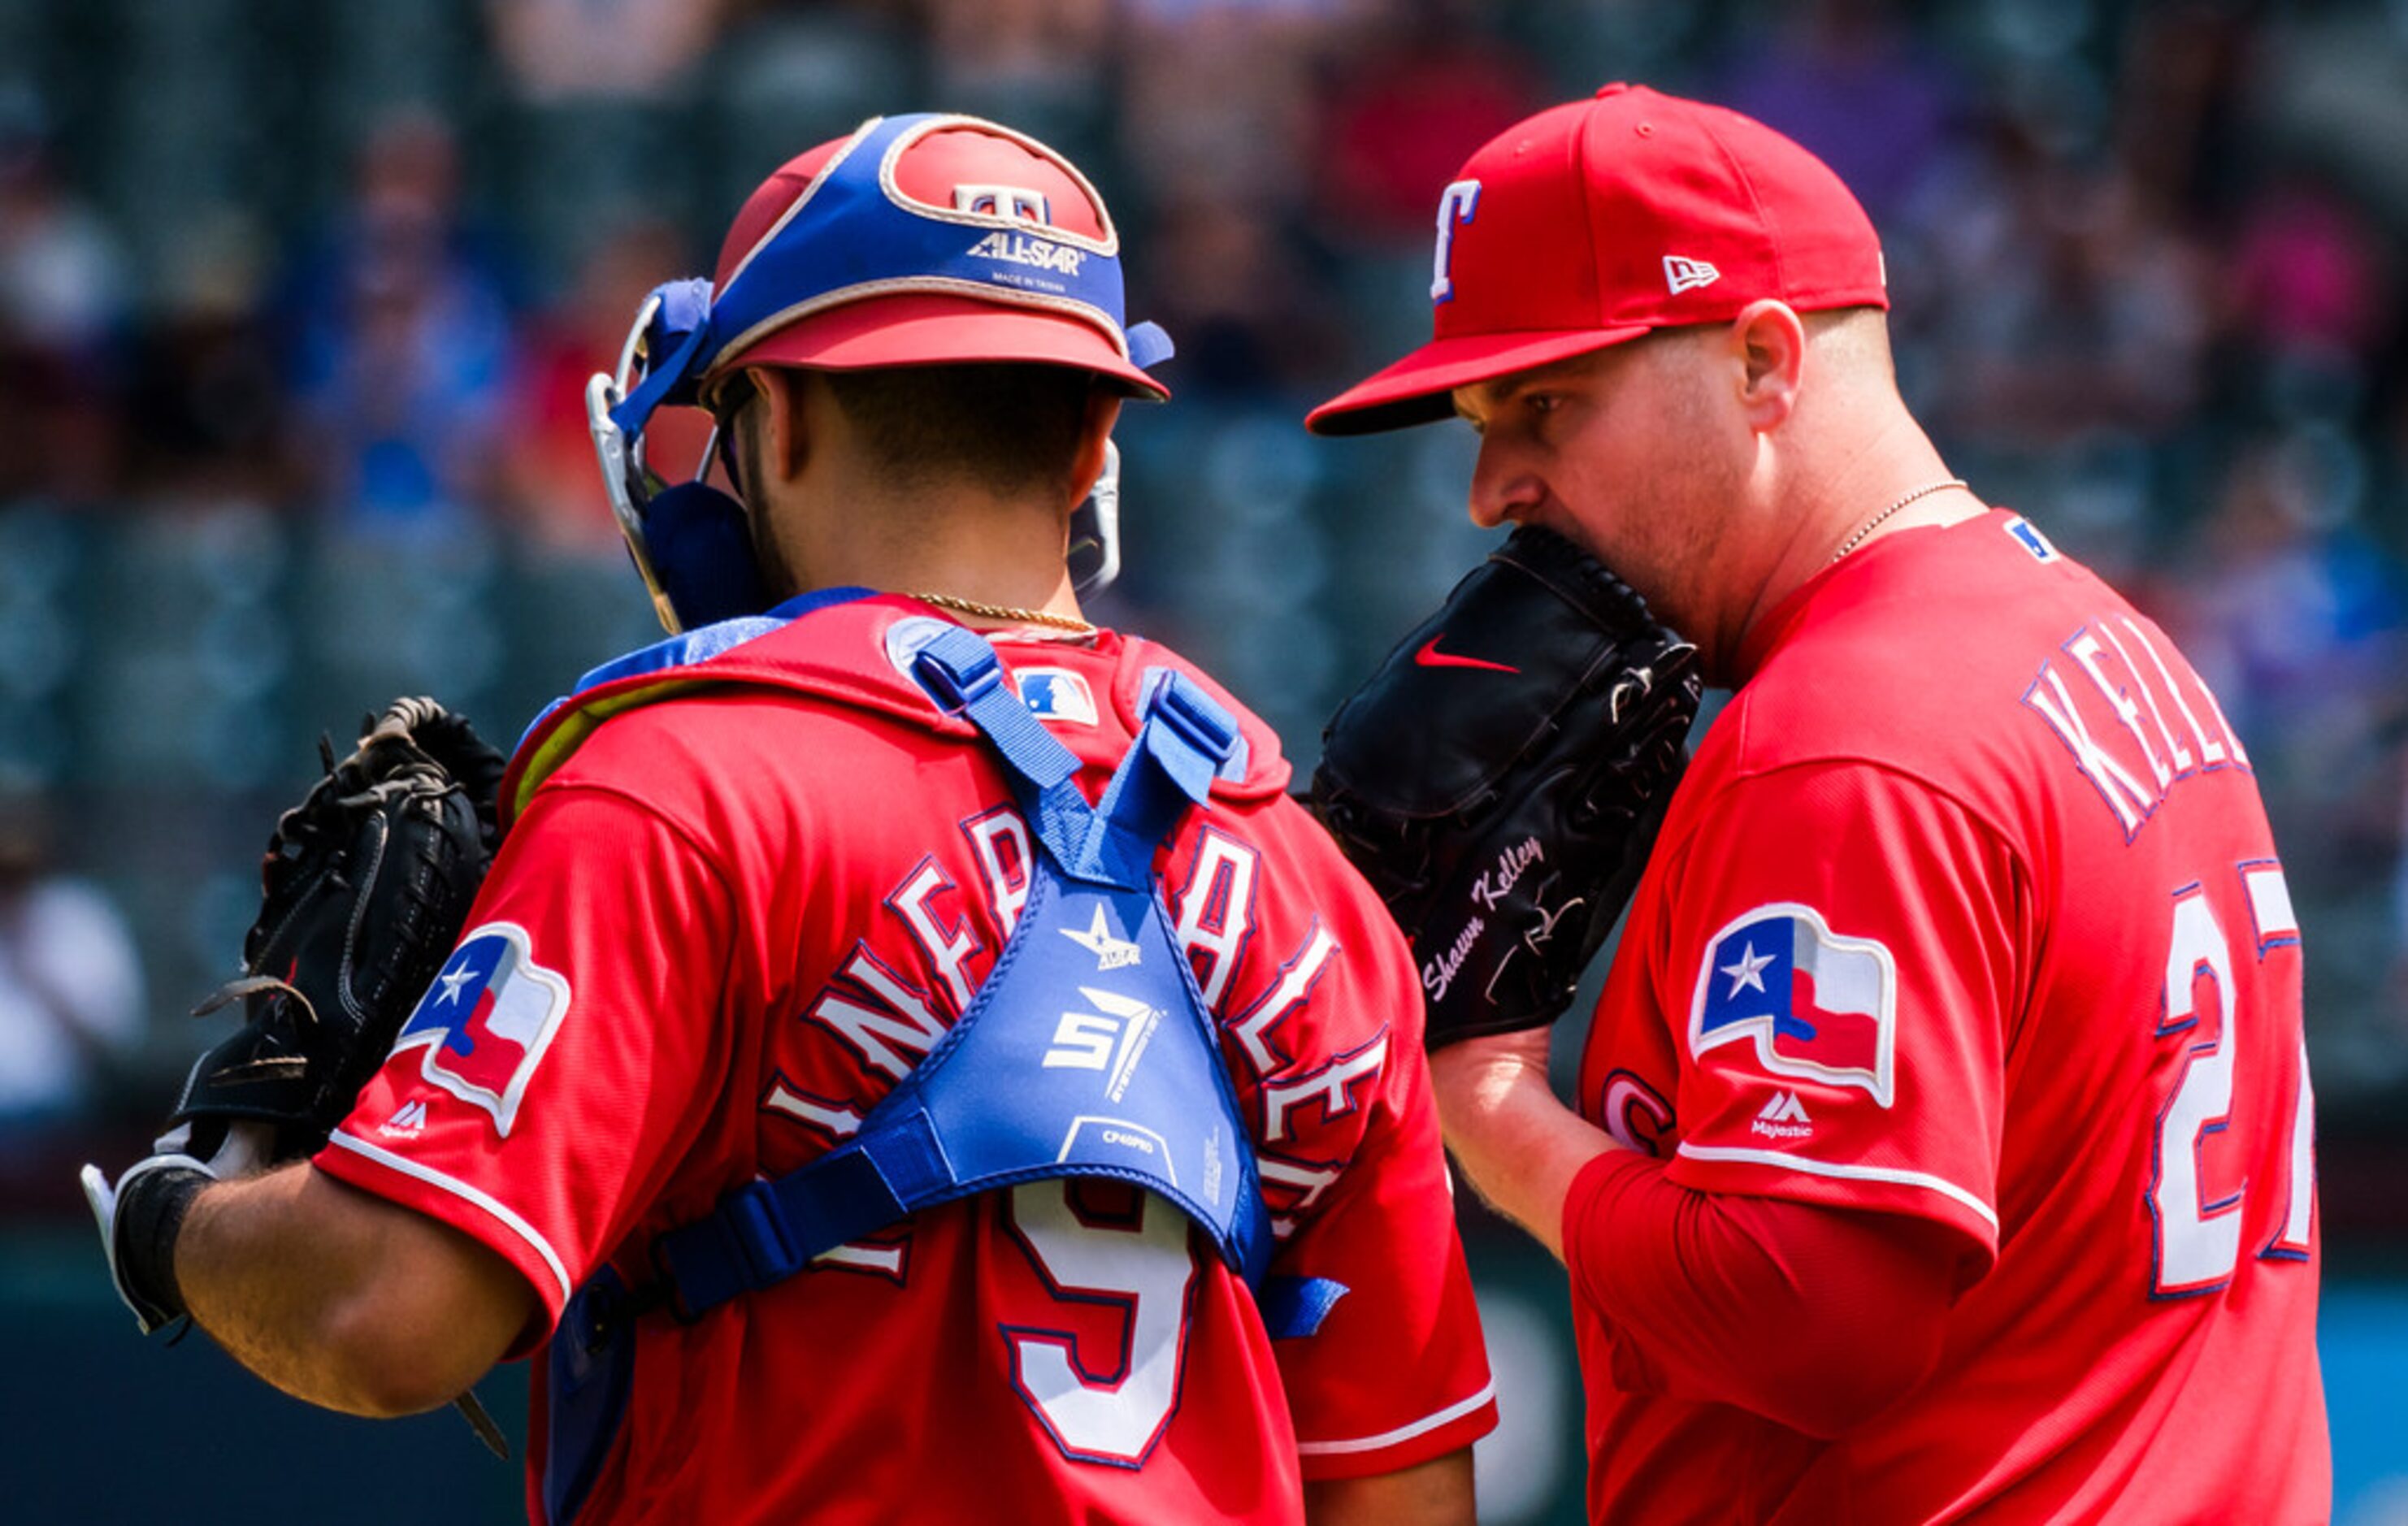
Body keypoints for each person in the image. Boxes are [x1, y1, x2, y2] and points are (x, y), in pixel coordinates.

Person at [86, 114, 1495, 1523]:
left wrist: (172, 1219)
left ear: (787, 411)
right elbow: (1409, 1496)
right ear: (1091, 439)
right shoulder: (1311, 886)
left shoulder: (682, 784)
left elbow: (385, 1314)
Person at [1306, 84, 2329, 1522]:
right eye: (1481, 421)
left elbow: (1812, 1317)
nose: (1493, 487)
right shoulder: (2099, 637)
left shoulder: (1845, 740)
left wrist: (1489, 1102)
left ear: (1764, 362)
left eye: (1548, 404)